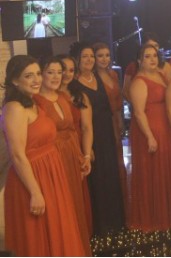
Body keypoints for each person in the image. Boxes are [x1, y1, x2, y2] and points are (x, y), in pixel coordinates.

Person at [3, 55, 86, 256]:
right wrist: (35, 192)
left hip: (50, 174)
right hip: (33, 178)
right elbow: (17, 155)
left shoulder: (32, 103)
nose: (36, 80)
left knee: (58, 231)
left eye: (38, 74)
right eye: (28, 76)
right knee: (39, 237)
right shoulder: (14, 108)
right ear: (15, 80)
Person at [33, 56, 93, 254]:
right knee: (60, 208)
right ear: (41, 74)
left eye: (59, 72)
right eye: (50, 72)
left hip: (70, 155)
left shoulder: (62, 97)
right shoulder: (35, 101)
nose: (56, 77)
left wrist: (82, 157)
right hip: (53, 159)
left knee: (74, 204)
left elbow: (73, 130)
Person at [70, 41, 125, 235]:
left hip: (106, 131)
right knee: (96, 178)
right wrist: (87, 147)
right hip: (90, 134)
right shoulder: (73, 83)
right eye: (85, 56)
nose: (89, 60)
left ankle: (115, 220)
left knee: (110, 174)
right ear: (77, 59)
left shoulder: (98, 76)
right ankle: (100, 223)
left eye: (91, 56)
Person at [129, 44, 171, 231]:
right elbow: (138, 113)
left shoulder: (160, 75)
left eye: (154, 56)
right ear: (139, 60)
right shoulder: (139, 82)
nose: (152, 59)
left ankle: (167, 214)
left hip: (165, 128)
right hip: (150, 130)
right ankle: (153, 217)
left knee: (165, 170)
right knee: (153, 173)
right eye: (147, 56)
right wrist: (149, 136)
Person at [58, 54, 93, 235]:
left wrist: (86, 153)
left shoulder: (80, 96)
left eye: (71, 70)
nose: (66, 74)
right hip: (55, 149)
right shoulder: (44, 96)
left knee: (75, 193)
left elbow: (87, 128)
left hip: (76, 147)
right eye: (62, 70)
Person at [93, 42, 128, 214]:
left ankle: (119, 203)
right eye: (100, 56)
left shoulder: (113, 74)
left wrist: (120, 120)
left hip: (115, 121)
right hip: (102, 123)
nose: (104, 59)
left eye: (107, 55)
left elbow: (119, 102)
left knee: (117, 160)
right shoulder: (93, 78)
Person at [122, 32, 171, 102]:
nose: (153, 48)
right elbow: (125, 91)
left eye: (156, 45)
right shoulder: (133, 67)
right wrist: (135, 103)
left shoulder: (166, 66)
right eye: (150, 45)